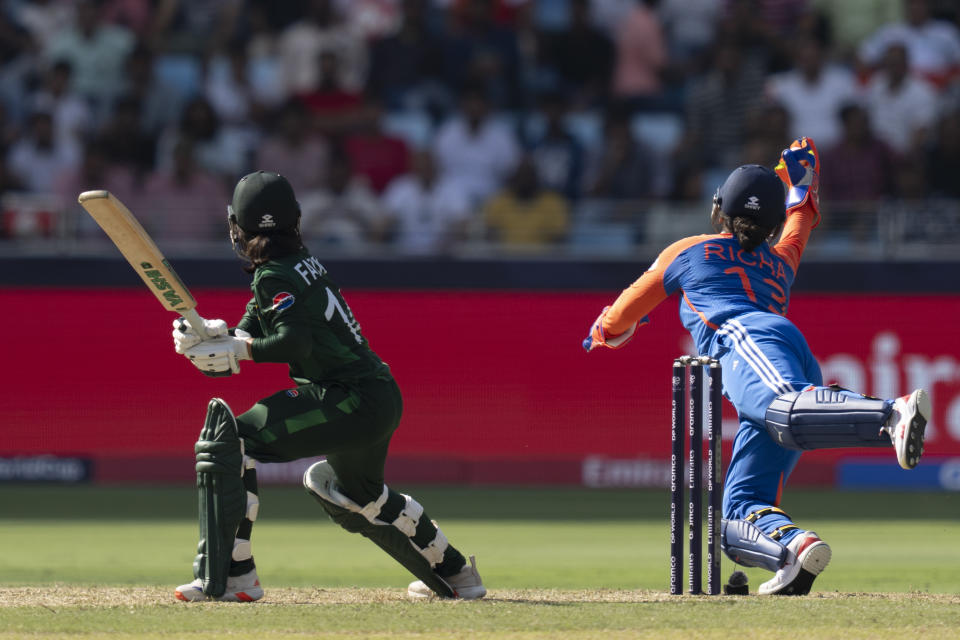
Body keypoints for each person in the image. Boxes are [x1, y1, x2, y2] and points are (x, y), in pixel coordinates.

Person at [583, 138, 930, 595]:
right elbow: (803, 212)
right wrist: (799, 171)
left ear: (717, 211)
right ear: (770, 226)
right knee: (735, 514)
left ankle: (889, 414)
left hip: (745, 341)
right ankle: (795, 553)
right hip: (786, 349)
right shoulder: (782, 260)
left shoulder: (686, 252)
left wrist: (602, 332)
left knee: (783, 412)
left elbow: (623, 313)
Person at [171, 171, 486, 602]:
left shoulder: (272, 277)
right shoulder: (298, 266)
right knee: (361, 496)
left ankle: (231, 574)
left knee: (229, 440)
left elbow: (291, 341)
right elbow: (254, 327)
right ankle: (457, 574)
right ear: (295, 220)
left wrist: (237, 352)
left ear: (237, 228)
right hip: (377, 395)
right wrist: (215, 334)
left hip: (347, 397)